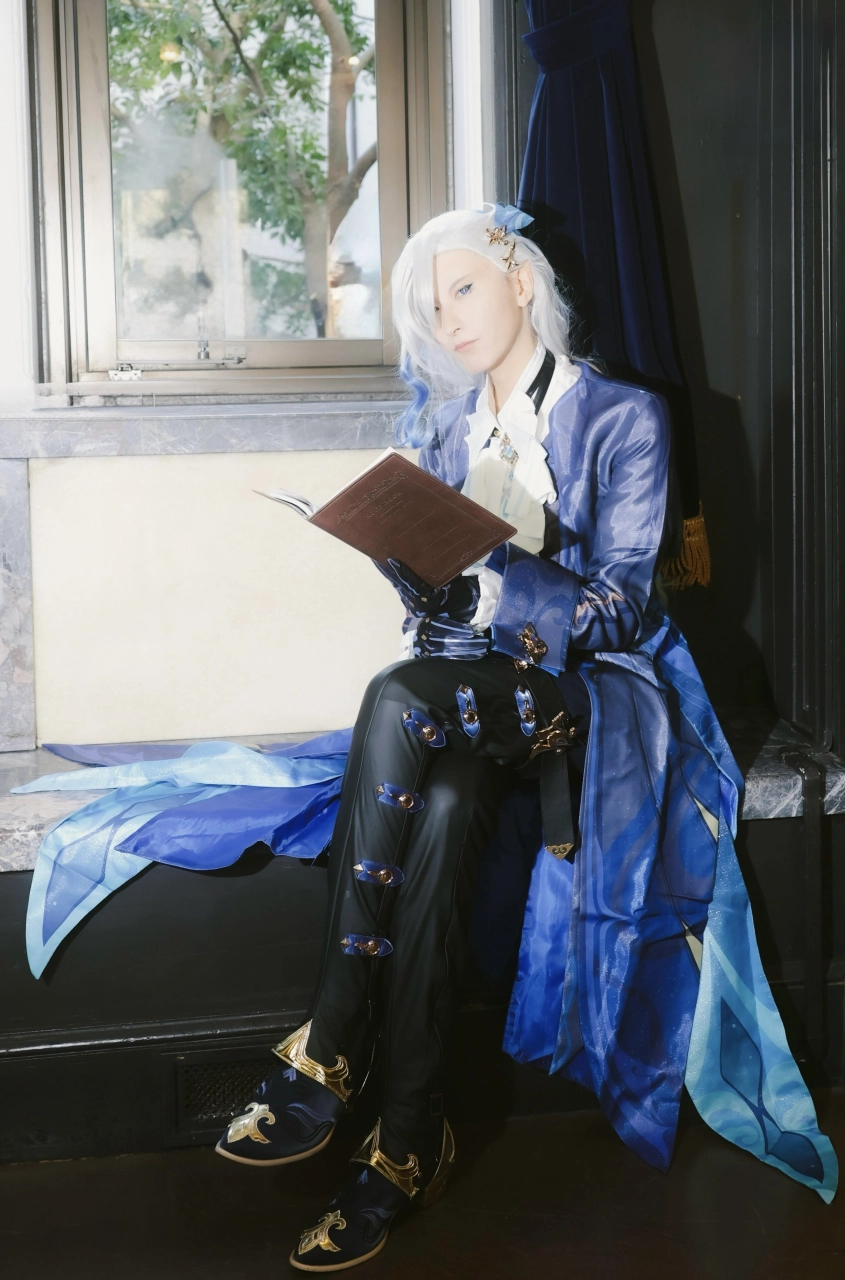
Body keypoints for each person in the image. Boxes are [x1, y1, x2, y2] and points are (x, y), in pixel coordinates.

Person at [214, 203, 837, 1270]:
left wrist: (501, 577)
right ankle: (406, 1140)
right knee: (444, 797)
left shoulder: (623, 414)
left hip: (592, 690)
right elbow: (437, 611)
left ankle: (332, 1035)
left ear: (518, 281)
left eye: (460, 288)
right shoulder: (444, 429)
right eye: (429, 306)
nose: (446, 318)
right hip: (466, 689)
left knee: (396, 699)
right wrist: (420, 574)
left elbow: (623, 606)